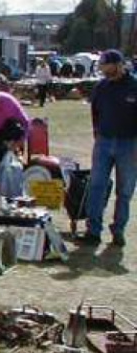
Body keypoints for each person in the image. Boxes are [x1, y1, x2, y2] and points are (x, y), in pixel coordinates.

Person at [82, 49, 137, 247]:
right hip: (104, 142)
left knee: (125, 190)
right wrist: (97, 133)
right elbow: (95, 111)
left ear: (117, 65)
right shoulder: (101, 87)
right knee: (96, 186)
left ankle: (119, 230)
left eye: (105, 64)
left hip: (129, 144)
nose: (102, 68)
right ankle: (93, 230)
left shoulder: (134, 86)